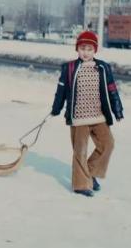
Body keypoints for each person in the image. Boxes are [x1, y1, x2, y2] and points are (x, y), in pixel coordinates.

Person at [50, 30, 124, 196]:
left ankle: (90, 173)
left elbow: (112, 90)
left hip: (99, 116)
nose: (86, 52)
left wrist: (117, 110)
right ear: (77, 49)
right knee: (80, 151)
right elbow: (61, 91)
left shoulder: (103, 68)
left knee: (107, 144)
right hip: (78, 118)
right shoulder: (69, 68)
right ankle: (81, 184)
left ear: (95, 50)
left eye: (89, 49)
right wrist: (56, 108)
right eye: (82, 48)